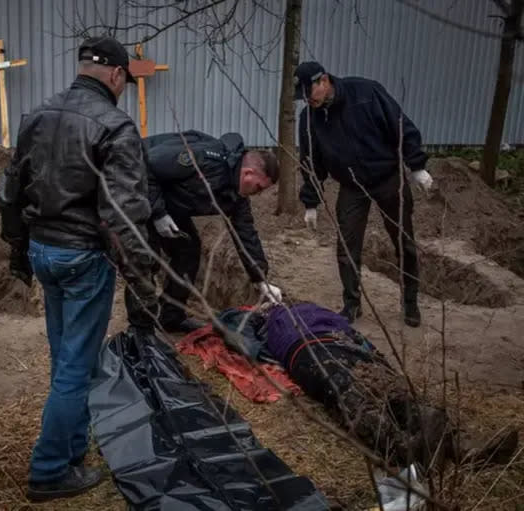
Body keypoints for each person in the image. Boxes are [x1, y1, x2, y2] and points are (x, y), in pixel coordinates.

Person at [0, 36, 158, 501]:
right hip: (84, 257)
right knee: (75, 367)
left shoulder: (38, 114)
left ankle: (70, 450)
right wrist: (144, 281)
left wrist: (18, 251)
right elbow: (124, 213)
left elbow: (10, 191)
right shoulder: (115, 126)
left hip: (44, 251)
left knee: (66, 358)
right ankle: (49, 470)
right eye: (125, 80)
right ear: (116, 75)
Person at [214, 303, 519, 468]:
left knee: (391, 389)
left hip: (343, 343)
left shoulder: (313, 309)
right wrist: (255, 321)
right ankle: (400, 447)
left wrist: (376, 356)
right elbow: (232, 327)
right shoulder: (262, 319)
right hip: (307, 349)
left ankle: (464, 447)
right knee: (348, 391)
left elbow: (352, 329)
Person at [295, 61, 433, 327]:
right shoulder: (310, 118)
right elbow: (310, 161)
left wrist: (416, 166)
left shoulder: (366, 93)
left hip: (388, 178)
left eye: (308, 93)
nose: (306, 100)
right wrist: (310, 202)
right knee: (347, 245)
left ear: (323, 81)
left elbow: (401, 127)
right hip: (351, 186)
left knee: (403, 242)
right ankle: (352, 304)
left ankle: (410, 303)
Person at [144, 130, 282, 333]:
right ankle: (141, 330)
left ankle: (170, 319)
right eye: (259, 187)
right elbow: (145, 165)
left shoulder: (237, 195)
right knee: (145, 259)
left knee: (188, 251)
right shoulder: (205, 160)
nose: (259, 193)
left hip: (170, 204)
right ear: (248, 174)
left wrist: (260, 279)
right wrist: (157, 214)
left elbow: (245, 234)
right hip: (138, 188)